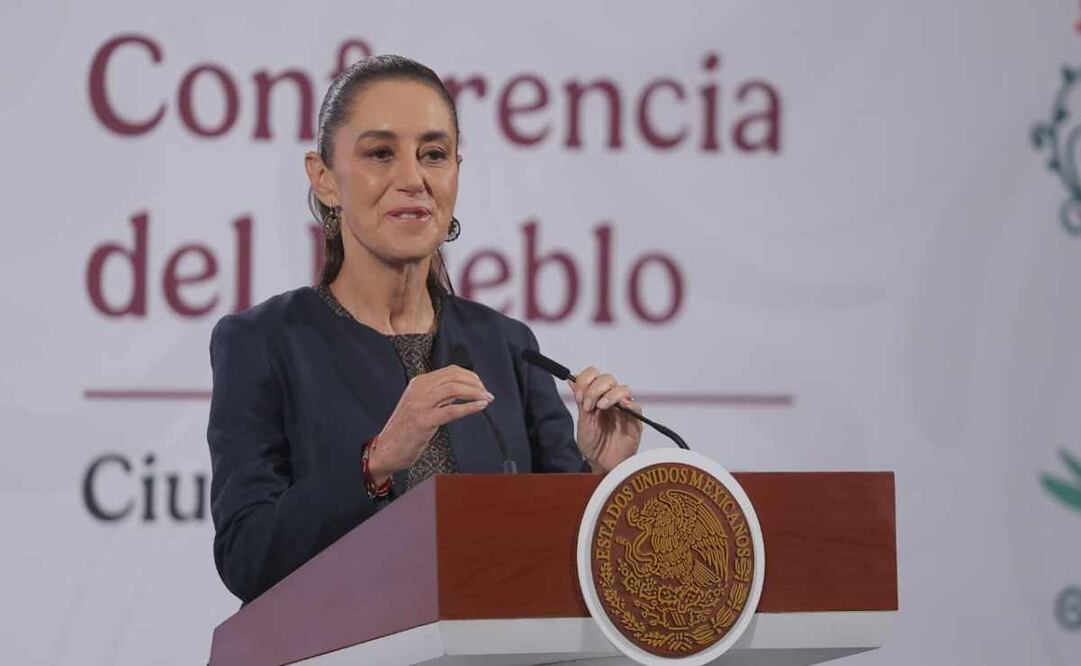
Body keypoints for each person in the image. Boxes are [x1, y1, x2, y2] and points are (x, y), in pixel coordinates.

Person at [207, 55, 644, 604]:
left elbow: (562, 559)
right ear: (324, 179)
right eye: (380, 154)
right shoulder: (264, 342)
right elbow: (247, 557)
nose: (412, 179)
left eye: (433, 155)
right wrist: (377, 461)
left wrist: (599, 475)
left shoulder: (508, 346)